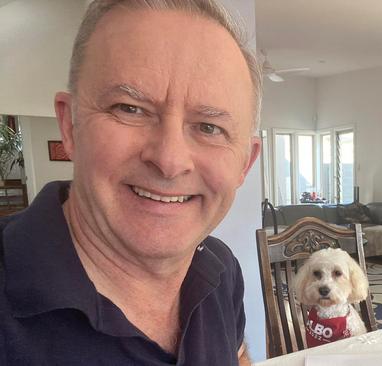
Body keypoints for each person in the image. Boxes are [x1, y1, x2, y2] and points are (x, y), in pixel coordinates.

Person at [0, 0, 261, 364]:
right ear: (70, 126)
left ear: (244, 164)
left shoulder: (219, 266)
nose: (169, 160)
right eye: (129, 108)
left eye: (209, 127)